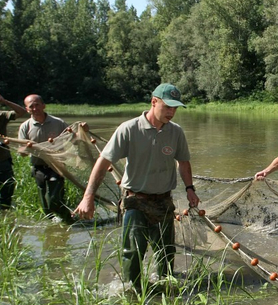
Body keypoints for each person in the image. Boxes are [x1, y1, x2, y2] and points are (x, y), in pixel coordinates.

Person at [74, 83, 199, 293]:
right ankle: (133, 294)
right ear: (154, 101)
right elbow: (103, 163)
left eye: (175, 108)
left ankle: (165, 290)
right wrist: (88, 197)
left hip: (164, 202)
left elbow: (184, 162)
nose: (171, 112)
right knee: (132, 252)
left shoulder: (176, 132)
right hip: (136, 201)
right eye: (167, 106)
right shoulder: (129, 129)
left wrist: (189, 188)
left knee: (166, 252)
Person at [18, 94, 74, 222]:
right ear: (27, 109)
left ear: (43, 106)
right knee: (45, 207)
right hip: (38, 167)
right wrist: (27, 148)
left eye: (37, 104)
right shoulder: (25, 127)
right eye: (31, 106)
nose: (35, 108)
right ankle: (56, 228)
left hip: (56, 166)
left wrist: (80, 130)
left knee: (54, 200)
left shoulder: (58, 123)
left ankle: (70, 219)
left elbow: (72, 138)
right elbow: (21, 152)